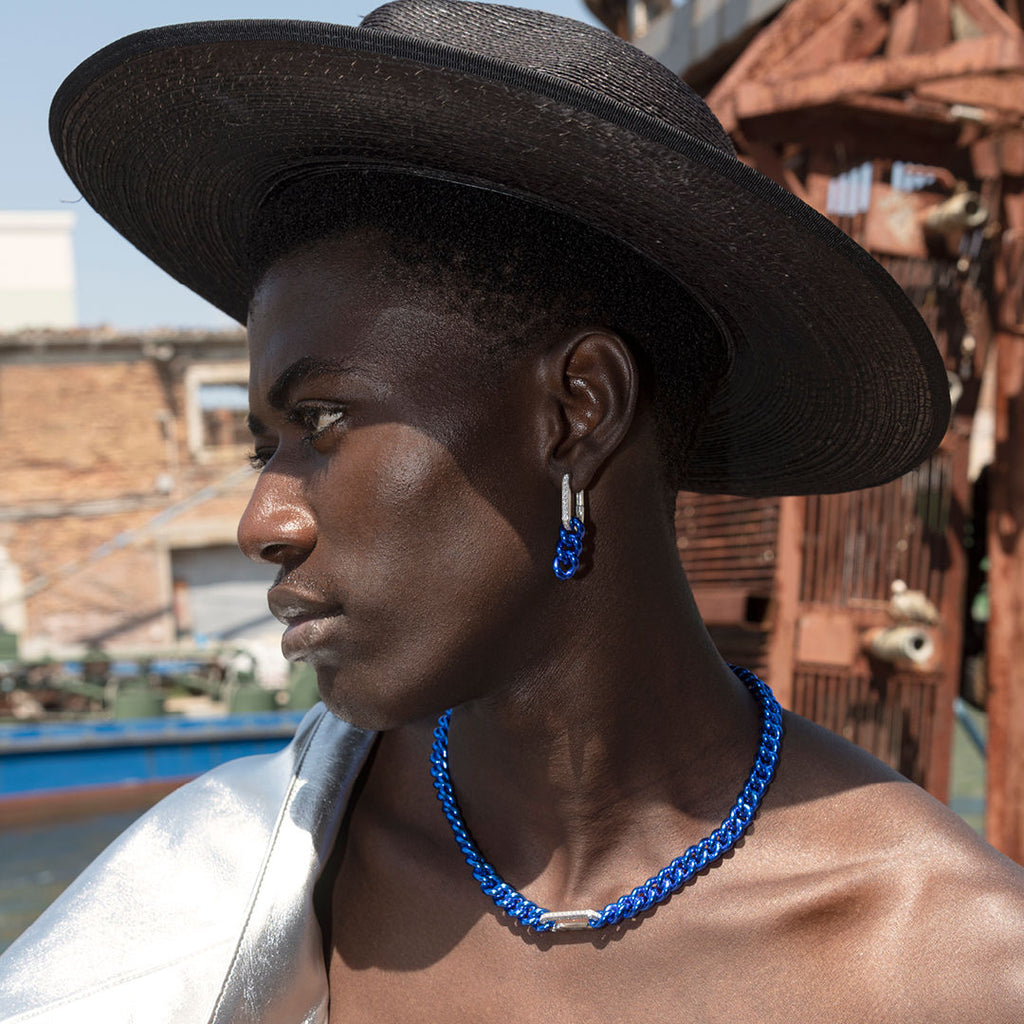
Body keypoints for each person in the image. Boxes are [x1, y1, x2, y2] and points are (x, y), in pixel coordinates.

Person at [3, 1, 1023, 1020]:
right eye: (271, 441)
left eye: (324, 418)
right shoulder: (219, 890)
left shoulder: (949, 961)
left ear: (578, 408)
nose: (262, 520)